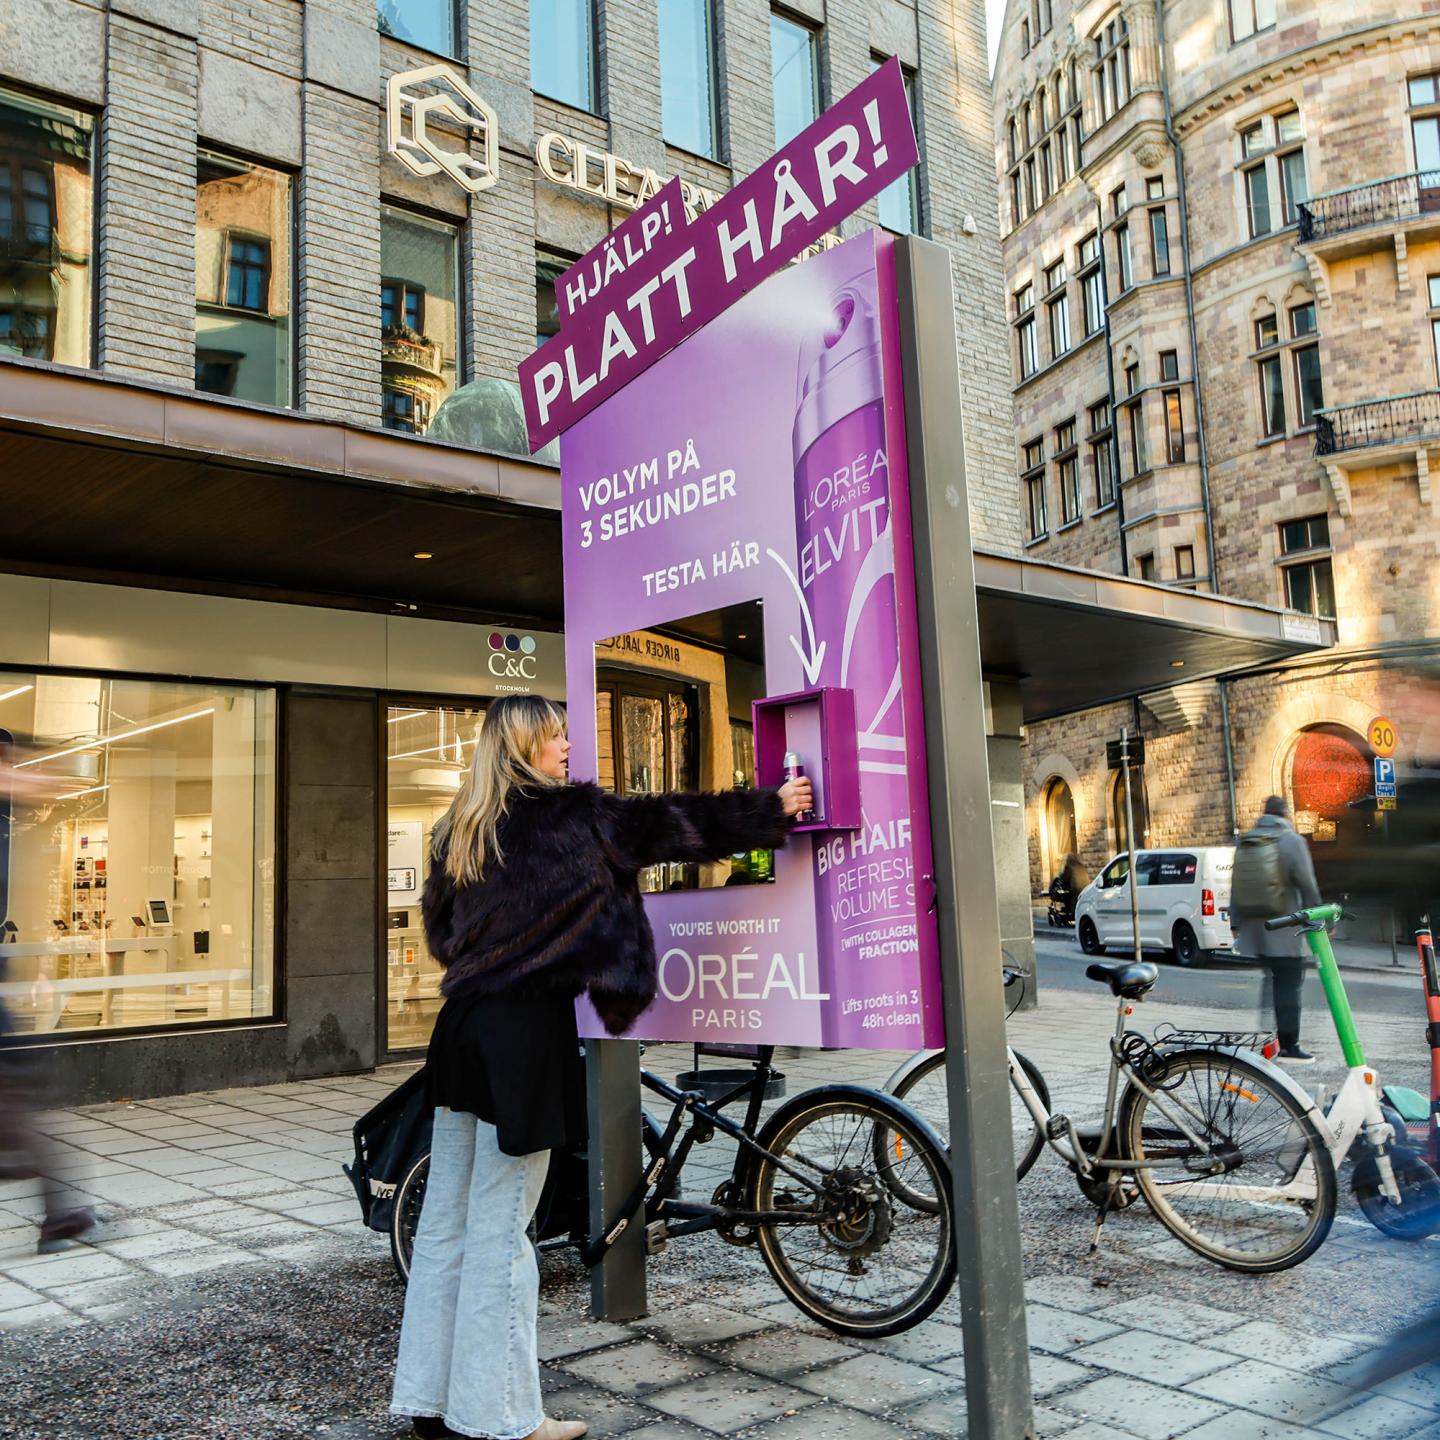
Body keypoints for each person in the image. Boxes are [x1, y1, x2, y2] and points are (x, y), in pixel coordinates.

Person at [389, 694, 812, 1440]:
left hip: (462, 1032)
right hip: (522, 1037)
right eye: (554, 738)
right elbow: (675, 827)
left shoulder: (460, 827)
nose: (567, 747)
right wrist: (772, 807)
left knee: (448, 1223)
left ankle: (429, 1399)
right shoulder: (573, 818)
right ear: (523, 745)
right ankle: (501, 1415)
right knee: (501, 1230)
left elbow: (443, 935)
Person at [1231, 795, 1322, 1064]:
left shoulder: (1246, 841)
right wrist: (1319, 917)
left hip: (1255, 931)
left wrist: (1236, 923)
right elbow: (1308, 884)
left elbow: (1236, 884)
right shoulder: (1292, 841)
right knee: (1289, 985)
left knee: (1272, 981)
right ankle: (1289, 1045)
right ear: (1285, 814)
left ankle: (1270, 1038)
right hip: (1285, 930)